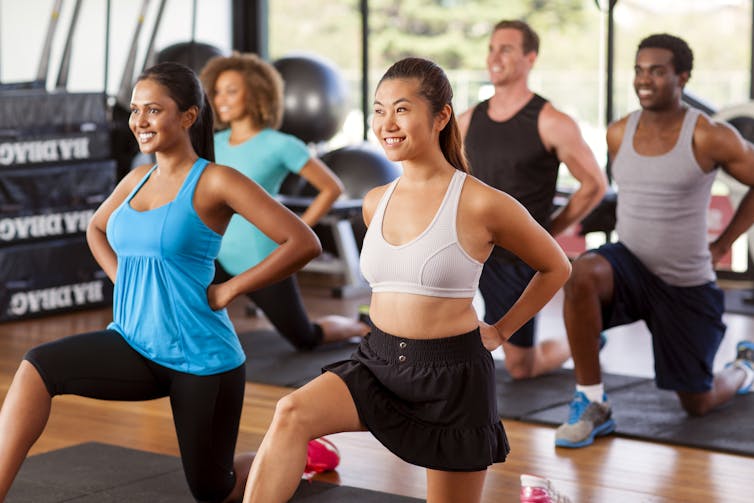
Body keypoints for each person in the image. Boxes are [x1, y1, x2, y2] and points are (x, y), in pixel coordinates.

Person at [240, 57, 571, 503]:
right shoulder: (375, 201)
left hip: (451, 380)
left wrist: (502, 330)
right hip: (377, 362)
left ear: (441, 116)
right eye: (378, 110)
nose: (387, 123)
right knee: (290, 412)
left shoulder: (481, 203)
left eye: (401, 109)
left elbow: (557, 265)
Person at [0, 62, 321, 502]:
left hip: (201, 358)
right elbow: (96, 228)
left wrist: (231, 288)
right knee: (38, 366)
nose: (140, 121)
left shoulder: (215, 180)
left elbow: (302, 241)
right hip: (133, 343)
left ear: (188, 117)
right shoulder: (136, 179)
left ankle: (285, 453)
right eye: (135, 110)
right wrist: (122, 280)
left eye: (153, 110)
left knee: (215, 491)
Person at [555, 33, 754, 449]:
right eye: (639, 70)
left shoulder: (709, 135)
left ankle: (744, 368)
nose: (645, 79)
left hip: (685, 283)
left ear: (683, 77)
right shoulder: (618, 132)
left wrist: (723, 243)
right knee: (579, 275)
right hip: (629, 268)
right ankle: (593, 402)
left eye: (658, 71)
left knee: (697, 403)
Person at [457, 19, 607, 379]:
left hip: (516, 258)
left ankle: (583, 340)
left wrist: (549, 228)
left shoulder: (552, 122)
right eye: (492, 48)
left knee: (520, 367)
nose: (495, 57)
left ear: (530, 58)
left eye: (506, 49)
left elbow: (594, 184)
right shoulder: (466, 121)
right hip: (470, 249)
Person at [199, 53, 368, 350]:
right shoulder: (214, 143)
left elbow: (331, 187)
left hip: (264, 260)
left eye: (231, 91)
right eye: (218, 91)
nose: (221, 98)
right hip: (219, 255)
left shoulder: (281, 144)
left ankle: (358, 325)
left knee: (304, 338)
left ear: (255, 94)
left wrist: (297, 232)